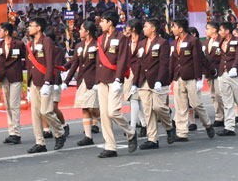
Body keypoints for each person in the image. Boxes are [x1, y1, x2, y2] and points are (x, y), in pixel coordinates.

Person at [93, 11, 137, 158]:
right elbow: (98, 61)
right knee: (104, 115)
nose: (100, 23)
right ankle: (110, 147)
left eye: (103, 21)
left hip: (114, 79)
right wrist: (96, 79)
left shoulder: (121, 38)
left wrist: (119, 79)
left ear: (110, 22)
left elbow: (123, 59)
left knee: (113, 112)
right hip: (102, 79)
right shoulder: (100, 38)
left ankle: (130, 132)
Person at [23, 17, 66, 153]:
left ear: (39, 28)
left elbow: (50, 63)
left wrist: (48, 82)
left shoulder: (46, 41)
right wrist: (28, 86)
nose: (29, 28)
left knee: (46, 111)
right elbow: (30, 66)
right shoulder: (30, 44)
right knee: (35, 113)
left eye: (31, 25)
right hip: (34, 82)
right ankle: (40, 142)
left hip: (46, 81)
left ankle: (60, 132)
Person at [131, 18, 175, 147]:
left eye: (146, 26)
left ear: (153, 28)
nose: (143, 29)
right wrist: (135, 83)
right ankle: (152, 139)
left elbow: (164, 64)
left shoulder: (163, 43)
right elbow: (138, 64)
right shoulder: (141, 43)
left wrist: (160, 80)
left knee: (159, 107)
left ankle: (169, 127)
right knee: (148, 110)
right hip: (144, 81)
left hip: (158, 80)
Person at [169, 18, 215, 141]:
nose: (172, 29)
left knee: (196, 104)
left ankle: (207, 124)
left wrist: (199, 78)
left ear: (181, 28)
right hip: (178, 78)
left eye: (174, 27)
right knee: (180, 106)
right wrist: (170, 78)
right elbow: (172, 61)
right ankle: (182, 133)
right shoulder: (174, 43)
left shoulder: (193, 41)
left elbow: (198, 59)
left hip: (191, 77)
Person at [68, 21, 102, 146]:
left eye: (81, 29)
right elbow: (74, 64)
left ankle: (103, 119)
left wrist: (98, 80)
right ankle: (88, 137)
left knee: (93, 107)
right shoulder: (79, 45)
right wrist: (66, 80)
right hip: (82, 80)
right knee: (85, 107)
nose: (79, 31)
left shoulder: (98, 44)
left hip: (93, 81)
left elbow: (100, 64)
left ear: (87, 31)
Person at [0, 22, 25, 145]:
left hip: (15, 77)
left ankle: (17, 133)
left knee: (14, 105)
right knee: (7, 105)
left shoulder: (18, 44)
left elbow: (26, 57)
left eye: (0, 30)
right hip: (3, 78)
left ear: (6, 32)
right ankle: (11, 132)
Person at [202, 22, 225, 129]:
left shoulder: (222, 40)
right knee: (213, 95)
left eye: (208, 29)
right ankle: (219, 116)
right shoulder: (205, 42)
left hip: (220, 71)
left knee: (220, 95)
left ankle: (226, 115)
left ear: (214, 30)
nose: (206, 31)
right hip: (210, 72)